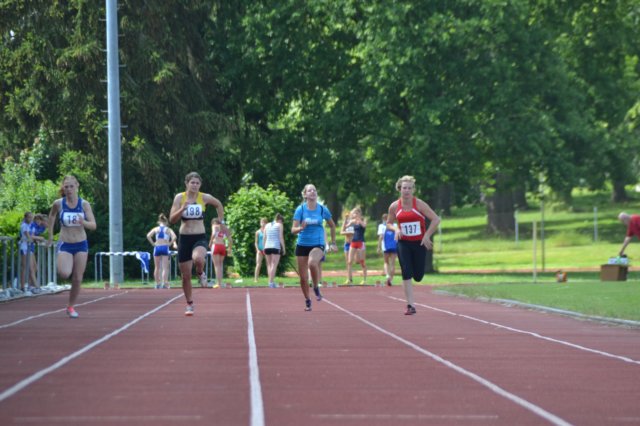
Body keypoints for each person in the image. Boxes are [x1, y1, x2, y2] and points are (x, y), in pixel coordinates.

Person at [169, 172, 225, 316]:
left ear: (200, 185)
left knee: (198, 258)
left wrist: (221, 222)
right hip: (184, 238)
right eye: (192, 182)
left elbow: (218, 204)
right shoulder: (179, 198)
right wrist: (182, 208)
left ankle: (200, 272)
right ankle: (189, 304)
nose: (195, 185)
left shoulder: (204, 197)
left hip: (199, 237)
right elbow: (172, 220)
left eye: (197, 183)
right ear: (186, 183)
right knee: (185, 276)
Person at [387, 175, 440, 315]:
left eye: (409, 188)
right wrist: (396, 229)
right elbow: (389, 223)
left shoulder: (420, 204)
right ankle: (410, 305)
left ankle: (412, 298)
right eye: (404, 188)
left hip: (418, 243)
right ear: (400, 189)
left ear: (413, 190)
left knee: (418, 276)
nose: (407, 191)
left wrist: (427, 235)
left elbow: (436, 219)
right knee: (406, 271)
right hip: (403, 242)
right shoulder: (394, 206)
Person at [47, 175, 97, 318]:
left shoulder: (84, 204)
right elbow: (51, 216)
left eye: (71, 186)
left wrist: (83, 222)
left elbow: (93, 225)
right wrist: (50, 235)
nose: (69, 189)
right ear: (63, 188)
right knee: (64, 273)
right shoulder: (58, 203)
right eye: (66, 187)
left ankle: (70, 306)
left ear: (77, 186)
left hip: (81, 243)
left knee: (77, 278)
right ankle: (62, 262)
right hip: (65, 243)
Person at [291, 184, 337, 311]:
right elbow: (293, 230)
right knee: (303, 278)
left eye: (314, 190)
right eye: (309, 190)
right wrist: (301, 228)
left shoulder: (322, 209)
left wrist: (333, 242)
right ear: (305, 194)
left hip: (318, 243)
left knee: (312, 263)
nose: (312, 192)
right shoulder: (300, 209)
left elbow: (332, 226)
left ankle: (316, 287)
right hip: (302, 244)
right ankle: (307, 300)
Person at [146, 213, 177, 289]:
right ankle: (165, 283)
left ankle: (157, 283)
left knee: (157, 267)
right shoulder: (168, 229)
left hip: (157, 247)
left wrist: (153, 244)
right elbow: (174, 237)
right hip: (165, 247)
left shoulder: (155, 229)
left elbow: (148, 236)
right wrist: (170, 243)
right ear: (166, 222)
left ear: (159, 222)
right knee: (165, 267)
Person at [344, 207, 367, 285]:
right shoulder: (352, 221)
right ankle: (349, 279)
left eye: (356, 213)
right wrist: (346, 219)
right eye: (354, 213)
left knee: (362, 261)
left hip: (361, 242)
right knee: (349, 261)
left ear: (359, 213)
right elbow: (345, 227)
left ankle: (364, 279)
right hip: (353, 242)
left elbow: (364, 226)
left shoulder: (363, 220)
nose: (354, 215)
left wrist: (359, 220)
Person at [209, 218, 233, 289]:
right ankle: (220, 282)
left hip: (216, 245)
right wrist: (229, 248)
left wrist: (210, 242)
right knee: (220, 265)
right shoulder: (224, 228)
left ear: (213, 223)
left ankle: (218, 283)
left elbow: (213, 234)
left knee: (216, 265)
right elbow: (230, 240)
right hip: (222, 246)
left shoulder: (214, 226)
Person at [263, 213, 286, 288]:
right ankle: (271, 282)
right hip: (275, 246)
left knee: (269, 265)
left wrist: (264, 247)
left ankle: (270, 282)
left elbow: (264, 237)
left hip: (267, 246)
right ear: (280, 220)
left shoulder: (267, 225)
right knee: (274, 265)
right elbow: (281, 237)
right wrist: (284, 248)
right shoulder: (279, 225)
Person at [377, 213, 398, 286]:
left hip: (385, 246)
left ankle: (387, 276)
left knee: (386, 262)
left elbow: (381, 237)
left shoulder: (381, 226)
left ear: (383, 219)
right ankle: (391, 280)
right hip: (394, 246)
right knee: (392, 263)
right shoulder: (395, 225)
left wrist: (379, 247)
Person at [340, 212, 354, 284]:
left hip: (354, 243)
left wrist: (352, 233)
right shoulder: (345, 223)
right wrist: (349, 233)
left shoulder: (354, 223)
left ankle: (351, 277)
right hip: (347, 244)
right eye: (347, 216)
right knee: (348, 262)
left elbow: (357, 232)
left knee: (354, 261)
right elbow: (341, 232)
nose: (348, 216)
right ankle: (349, 278)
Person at [254, 218, 267, 282]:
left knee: (268, 265)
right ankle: (256, 279)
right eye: (262, 222)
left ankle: (270, 279)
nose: (263, 224)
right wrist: (257, 250)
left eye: (264, 222)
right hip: (260, 250)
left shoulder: (267, 231)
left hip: (266, 250)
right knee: (258, 264)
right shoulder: (257, 232)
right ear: (260, 223)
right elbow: (256, 242)